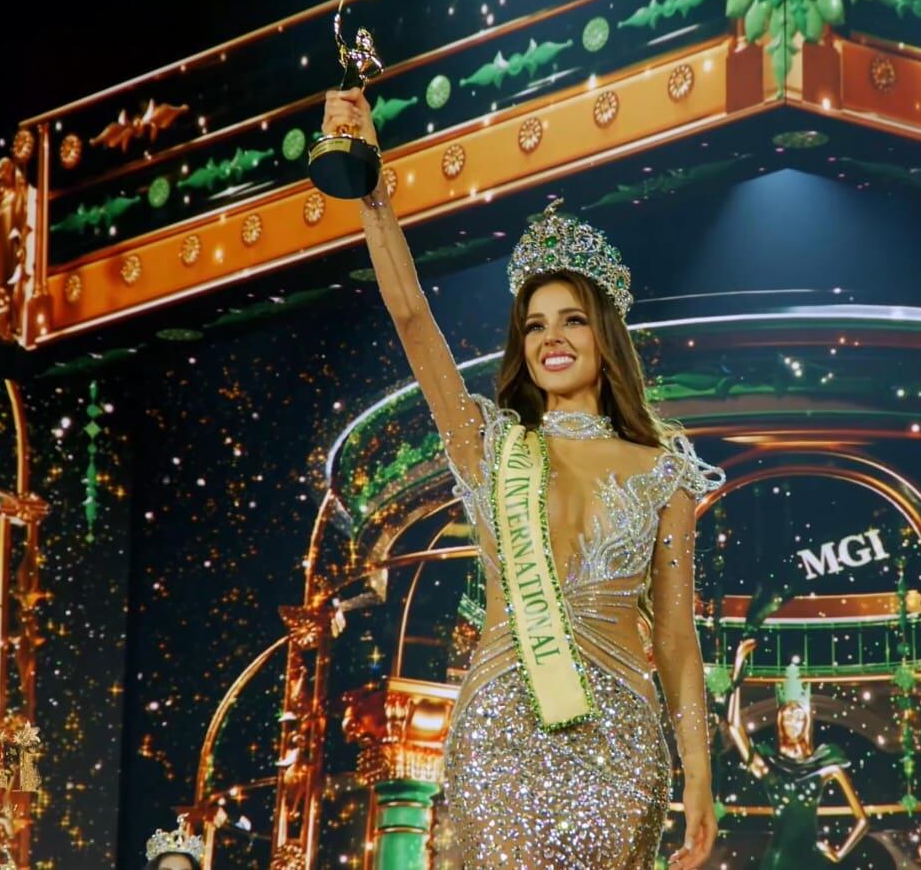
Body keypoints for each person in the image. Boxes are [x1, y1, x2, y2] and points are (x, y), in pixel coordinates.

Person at [323, 88, 722, 870]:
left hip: (622, 742)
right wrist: (373, 192)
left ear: (603, 335)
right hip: (503, 734)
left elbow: (676, 639)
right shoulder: (489, 444)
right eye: (535, 324)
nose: (551, 338)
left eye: (571, 318)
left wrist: (700, 777)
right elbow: (411, 318)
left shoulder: (663, 464)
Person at [723, 641, 870, 868]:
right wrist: (739, 666)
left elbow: (862, 821)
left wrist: (839, 853)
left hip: (813, 861)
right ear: (780, 721)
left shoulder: (826, 766)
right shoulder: (768, 765)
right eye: (788, 716)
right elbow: (734, 726)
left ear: (807, 722)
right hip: (778, 861)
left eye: (798, 717)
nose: (793, 722)